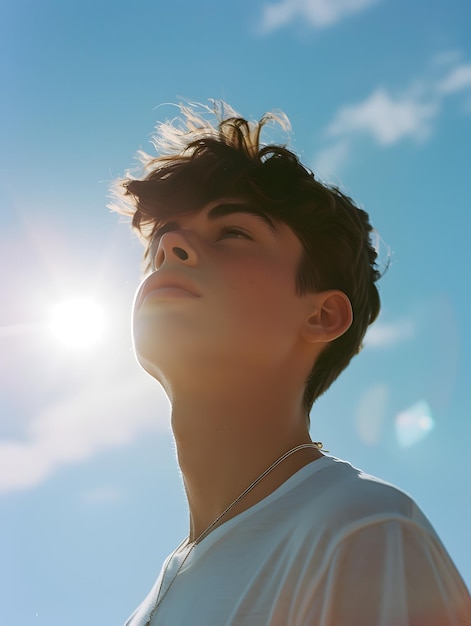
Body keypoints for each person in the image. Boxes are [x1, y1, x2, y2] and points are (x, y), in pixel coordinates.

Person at [112, 102, 470, 625]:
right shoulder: (151, 602)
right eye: (161, 243)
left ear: (323, 315)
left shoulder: (361, 530)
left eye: (232, 232)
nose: (170, 246)